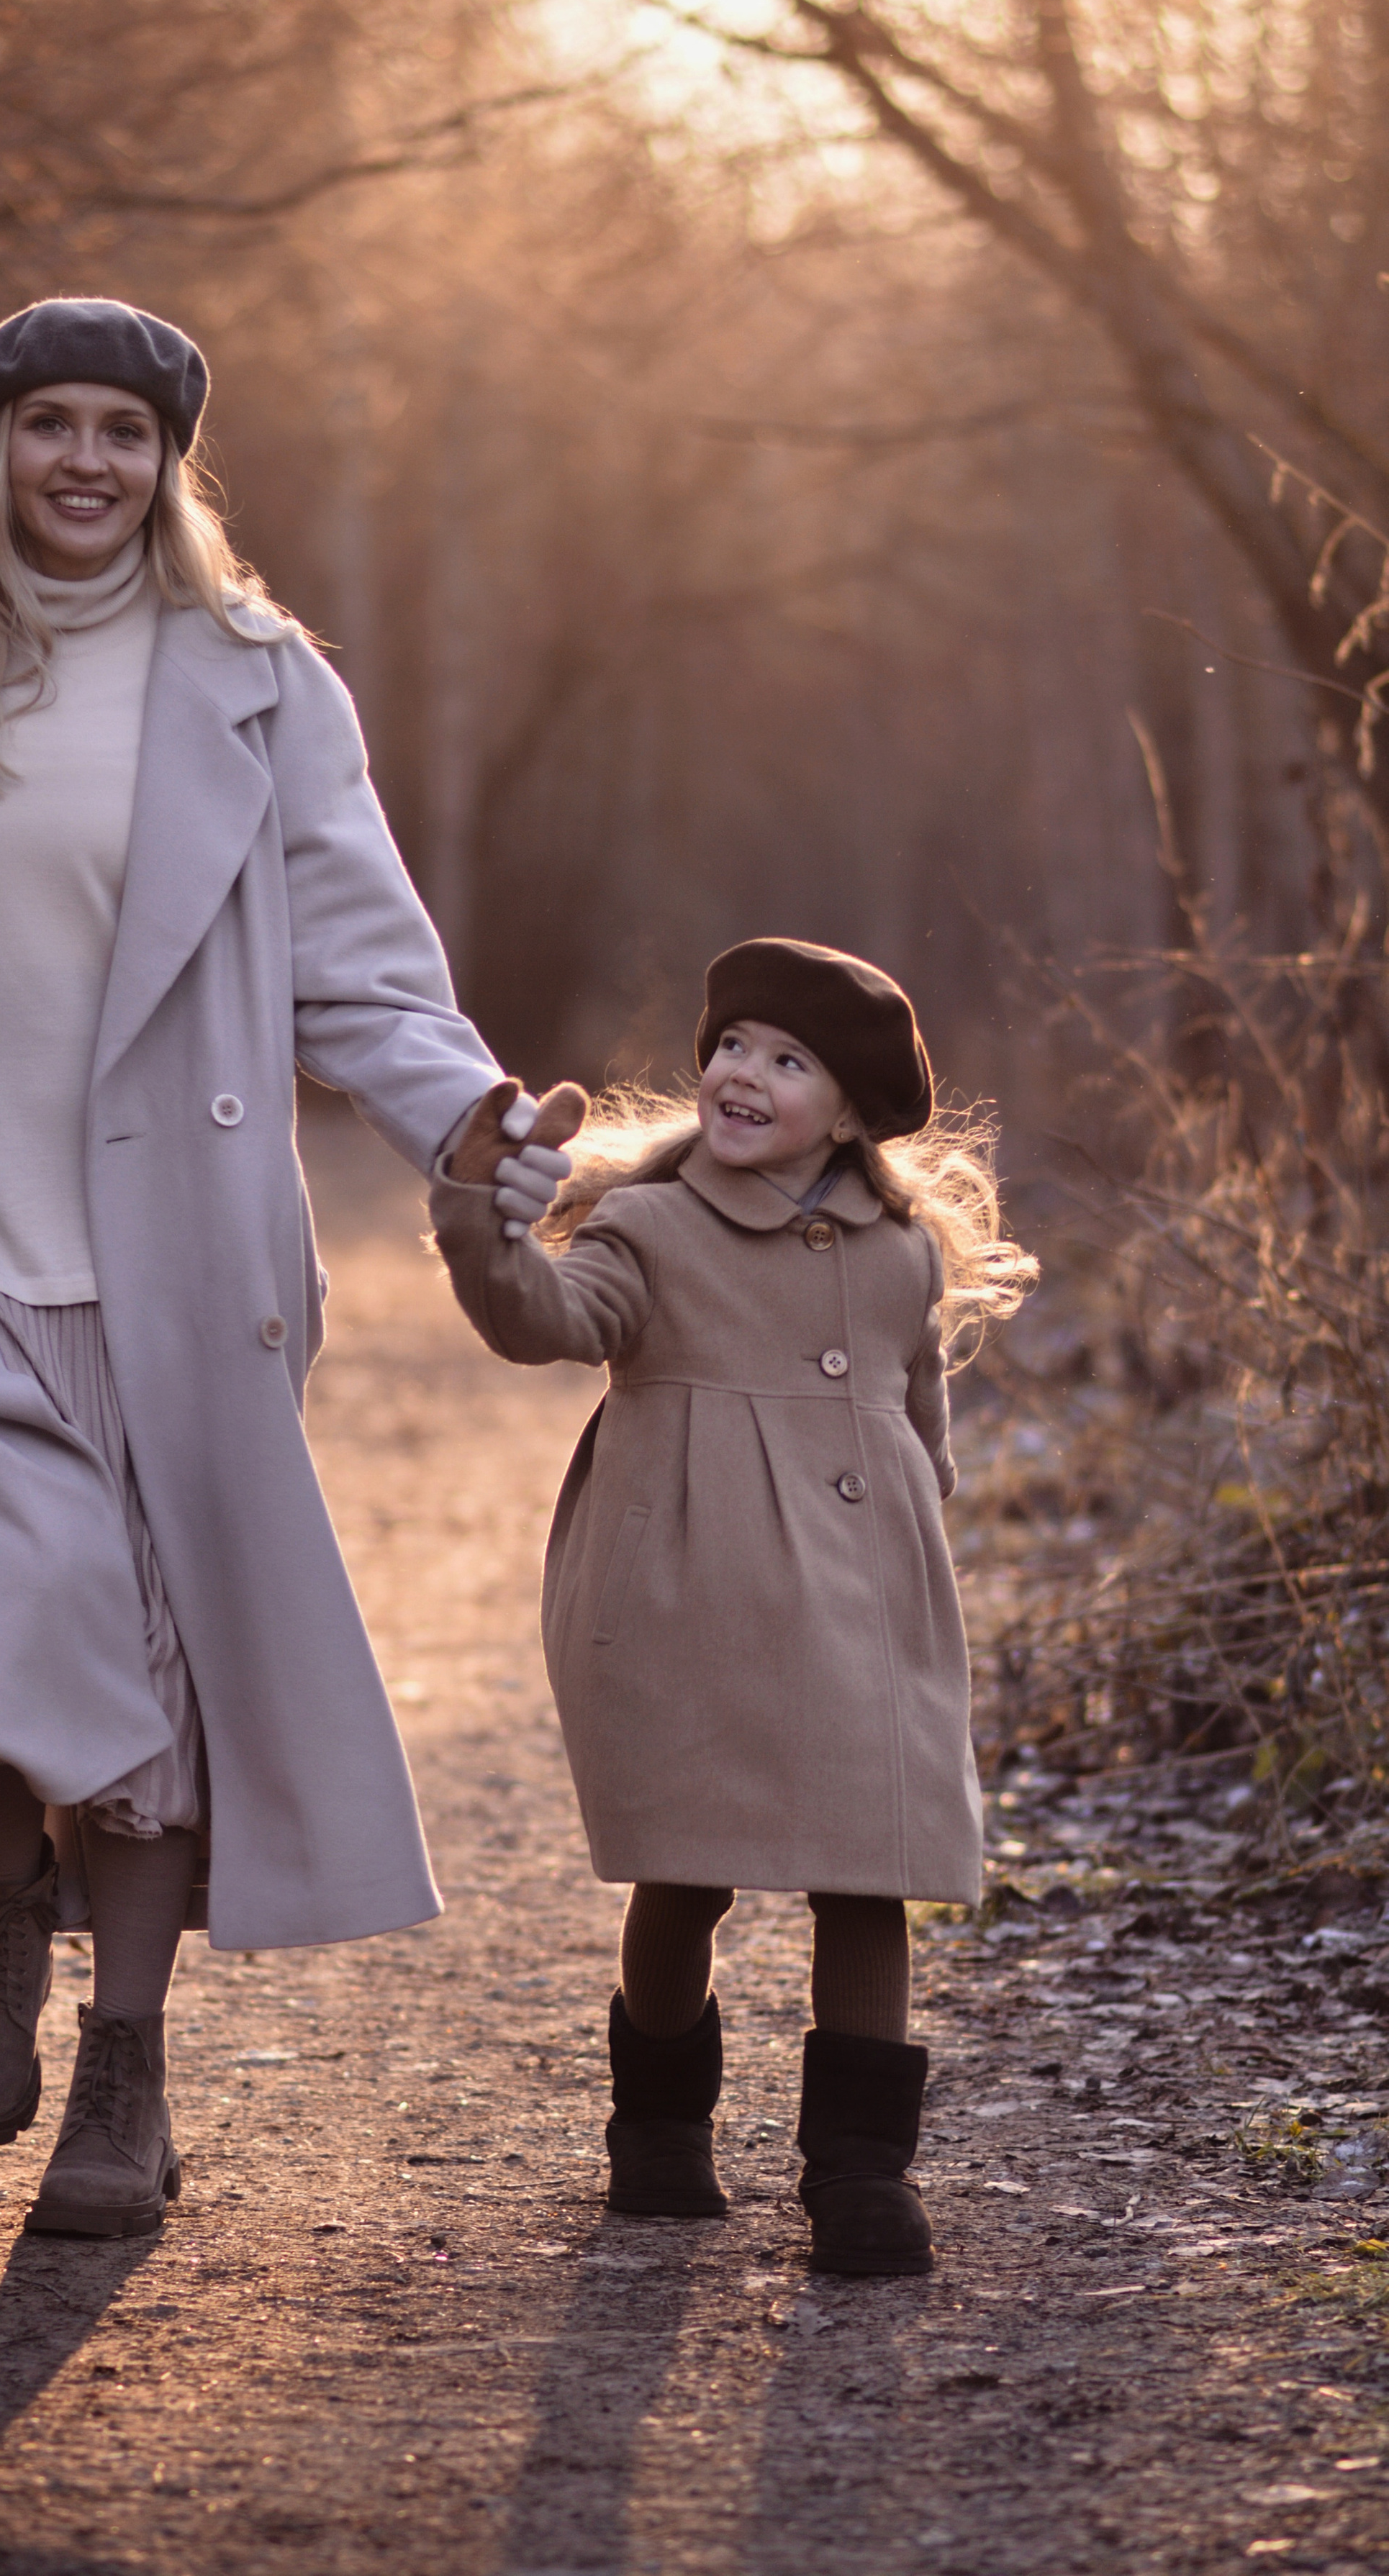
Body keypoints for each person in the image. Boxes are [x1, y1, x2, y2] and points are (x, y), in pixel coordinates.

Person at [0, 296, 569, 2241]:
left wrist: (464, 1116)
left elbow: (363, 963)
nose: (85, 463)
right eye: (47, 424)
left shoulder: (255, 679)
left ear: (172, 463)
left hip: (164, 1257)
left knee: (156, 1666)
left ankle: (120, 2075)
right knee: (13, 1602)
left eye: (124, 434)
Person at [431, 938, 1036, 2274]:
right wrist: (480, 1216)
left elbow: (917, 1402)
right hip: (685, 1588)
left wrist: (919, 1502)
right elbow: (545, 1317)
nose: (742, 1074)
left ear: (854, 1112)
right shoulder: (650, 1226)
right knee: (684, 1869)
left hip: (866, 1603)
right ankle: (657, 2133)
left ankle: (863, 2175)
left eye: (787, 1058)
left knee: (870, 1870)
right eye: (732, 1045)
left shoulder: (897, 1252)